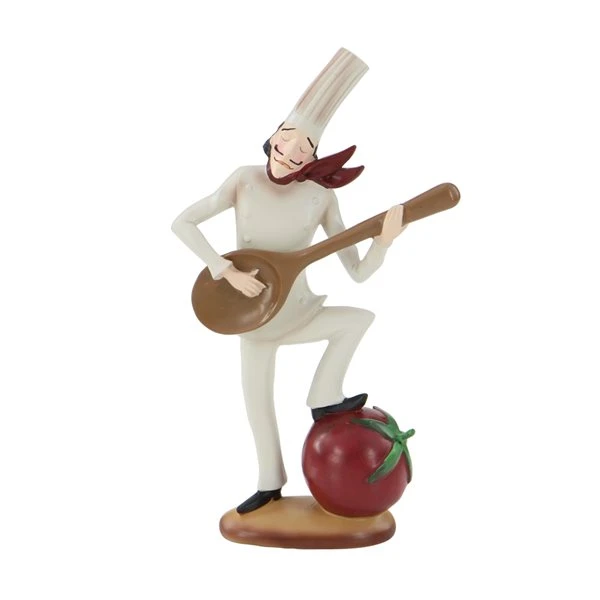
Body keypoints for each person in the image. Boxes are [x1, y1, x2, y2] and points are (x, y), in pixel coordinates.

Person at [171, 48, 407, 514]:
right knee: (257, 405)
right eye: (282, 144)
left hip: (298, 311)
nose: (286, 156)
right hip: (251, 317)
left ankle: (324, 395)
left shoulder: (320, 198)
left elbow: (358, 272)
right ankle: (269, 483)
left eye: (300, 152)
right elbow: (183, 223)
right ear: (272, 138)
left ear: (313, 159)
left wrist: (383, 243)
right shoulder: (244, 180)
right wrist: (224, 269)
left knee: (357, 319)